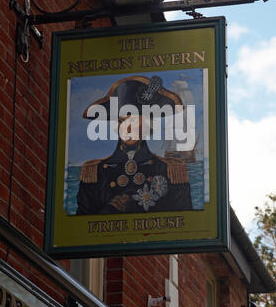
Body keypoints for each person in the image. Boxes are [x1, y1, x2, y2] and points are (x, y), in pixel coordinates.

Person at [76, 75, 192, 215]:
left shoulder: (170, 171)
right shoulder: (95, 173)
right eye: (121, 121)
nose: (128, 128)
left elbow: (183, 223)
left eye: (135, 121)